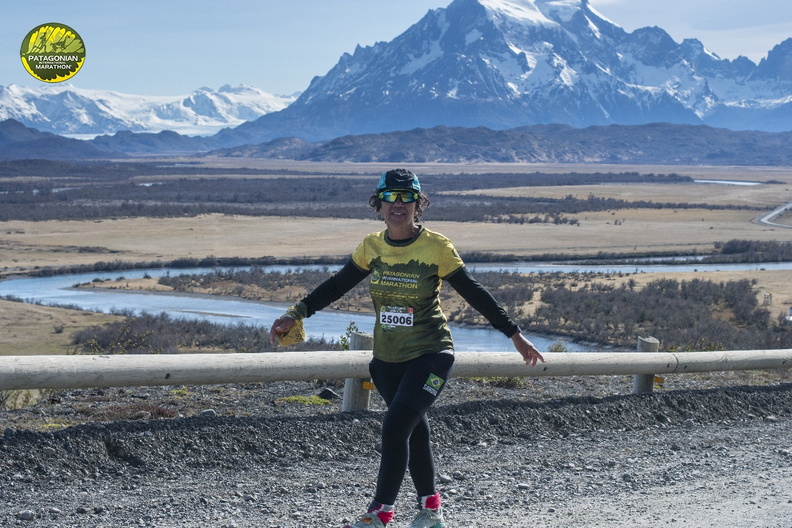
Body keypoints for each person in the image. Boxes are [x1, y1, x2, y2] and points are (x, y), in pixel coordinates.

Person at [269, 168, 545, 528]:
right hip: (387, 360)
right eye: (390, 197)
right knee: (413, 429)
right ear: (379, 204)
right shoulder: (372, 247)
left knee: (395, 426)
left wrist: (514, 334)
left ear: (418, 204)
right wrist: (296, 312)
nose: (397, 204)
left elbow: (474, 292)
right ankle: (431, 510)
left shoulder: (437, 247)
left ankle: (380, 513)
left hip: (431, 354)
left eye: (406, 197)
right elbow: (336, 286)